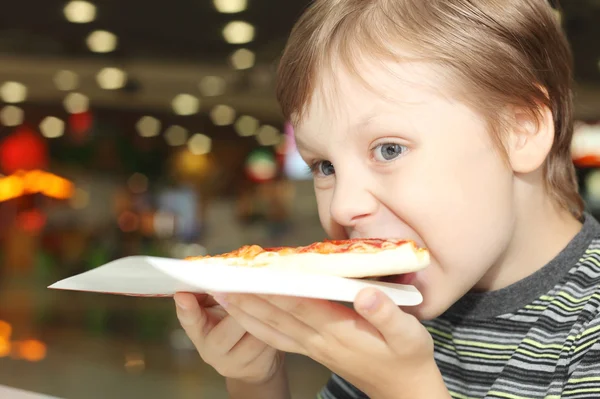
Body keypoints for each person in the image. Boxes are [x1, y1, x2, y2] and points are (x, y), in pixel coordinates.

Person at [173, 0, 600, 398]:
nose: (342, 206)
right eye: (325, 166)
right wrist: (256, 379)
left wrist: (407, 389)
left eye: (389, 150)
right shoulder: (390, 303)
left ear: (519, 129)